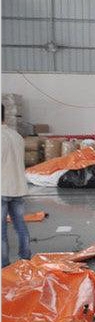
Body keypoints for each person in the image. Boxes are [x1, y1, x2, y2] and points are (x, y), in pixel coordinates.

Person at [2, 104, 31, 267]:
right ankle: (25, 259)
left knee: (1, 231)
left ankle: (3, 265)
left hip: (2, 189)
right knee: (20, 225)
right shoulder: (17, 136)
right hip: (18, 188)